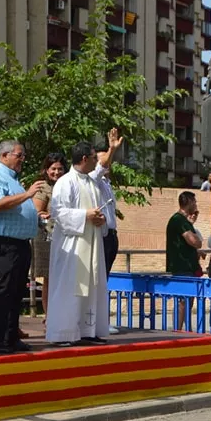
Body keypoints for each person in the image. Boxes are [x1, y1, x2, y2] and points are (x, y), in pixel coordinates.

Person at [0, 140, 46, 354]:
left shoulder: (13, 179)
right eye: (19, 155)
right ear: (4, 155)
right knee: (4, 290)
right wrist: (27, 194)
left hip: (19, 243)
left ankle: (10, 336)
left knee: (16, 291)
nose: (22, 159)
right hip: (3, 243)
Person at [45, 141, 109, 346]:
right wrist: (86, 215)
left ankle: (87, 331)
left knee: (92, 285)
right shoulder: (66, 182)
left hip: (92, 242)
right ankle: (63, 333)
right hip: (71, 246)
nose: (96, 161)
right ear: (84, 159)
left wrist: (100, 219)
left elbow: (98, 210)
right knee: (69, 286)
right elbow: (58, 213)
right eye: (93, 157)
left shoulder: (91, 182)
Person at [91, 128, 124, 333]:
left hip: (111, 235)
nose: (108, 164)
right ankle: (97, 320)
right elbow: (100, 168)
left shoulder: (107, 183)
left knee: (105, 279)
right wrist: (111, 149)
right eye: (105, 161)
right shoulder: (92, 180)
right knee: (98, 279)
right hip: (101, 236)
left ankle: (101, 319)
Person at [32, 152, 67, 324]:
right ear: (46, 170)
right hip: (47, 237)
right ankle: (49, 316)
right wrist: (47, 215)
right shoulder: (43, 187)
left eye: (60, 169)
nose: (57, 172)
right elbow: (37, 211)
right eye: (53, 169)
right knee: (49, 278)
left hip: (65, 237)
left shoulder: (68, 184)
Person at [165, 191, 203, 330]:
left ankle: (185, 330)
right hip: (182, 268)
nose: (196, 204)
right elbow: (194, 241)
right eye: (194, 201)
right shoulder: (179, 220)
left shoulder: (183, 221)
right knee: (182, 301)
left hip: (188, 267)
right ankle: (178, 331)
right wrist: (198, 243)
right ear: (188, 202)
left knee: (188, 301)